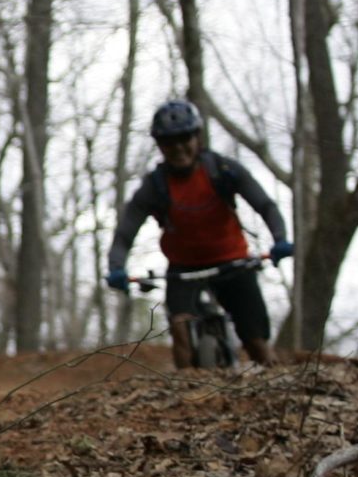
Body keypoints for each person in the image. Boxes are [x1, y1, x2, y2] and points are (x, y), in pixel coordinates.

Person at [104, 98, 295, 368]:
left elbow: (265, 205)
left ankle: (277, 390)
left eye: (184, 139)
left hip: (233, 262)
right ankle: (187, 395)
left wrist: (280, 240)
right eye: (169, 142)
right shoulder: (155, 186)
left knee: (256, 341)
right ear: (160, 146)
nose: (178, 148)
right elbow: (125, 232)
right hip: (184, 270)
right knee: (181, 332)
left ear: (197, 137)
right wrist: (116, 268)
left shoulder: (223, 170)